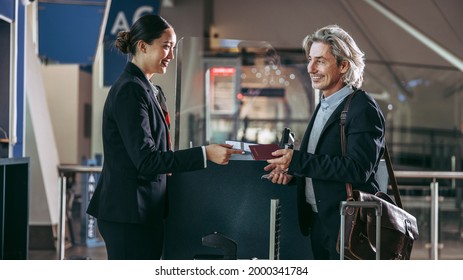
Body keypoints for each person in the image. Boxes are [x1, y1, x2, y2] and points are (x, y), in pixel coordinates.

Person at [87, 14, 242, 260]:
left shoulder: (149, 89)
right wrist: (205, 153)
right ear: (142, 46)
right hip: (128, 214)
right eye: (166, 47)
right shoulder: (130, 90)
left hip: (143, 211)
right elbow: (147, 160)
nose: (171, 55)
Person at [264, 25, 386, 260]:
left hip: (348, 226)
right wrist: (294, 173)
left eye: (320, 61)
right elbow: (323, 161)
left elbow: (358, 169)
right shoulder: (325, 104)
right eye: (310, 60)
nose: (310, 68)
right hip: (321, 221)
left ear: (343, 66)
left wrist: (298, 161)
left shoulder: (362, 108)